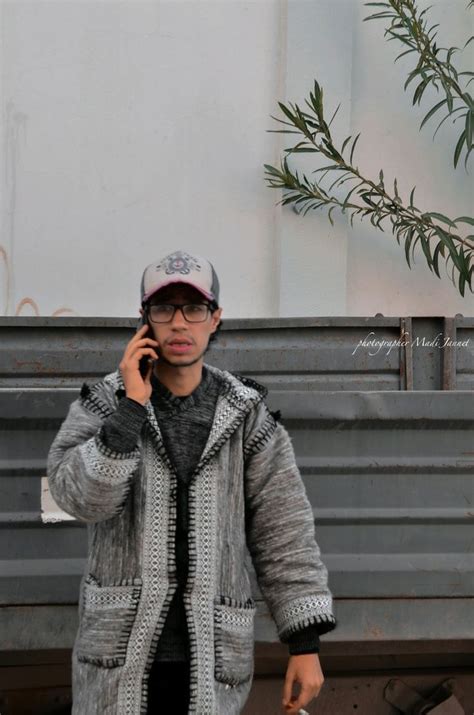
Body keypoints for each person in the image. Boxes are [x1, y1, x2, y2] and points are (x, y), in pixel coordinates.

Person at [46, 249, 337, 715]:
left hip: (212, 662)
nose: (179, 323)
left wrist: (304, 645)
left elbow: (284, 532)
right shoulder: (105, 403)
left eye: (195, 308)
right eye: (164, 308)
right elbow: (77, 499)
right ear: (144, 319)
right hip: (117, 661)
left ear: (215, 318)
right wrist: (131, 408)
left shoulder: (247, 416)